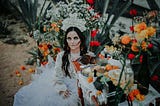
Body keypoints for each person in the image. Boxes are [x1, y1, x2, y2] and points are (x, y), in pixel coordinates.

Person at [13, 27, 89, 106]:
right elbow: (57, 75)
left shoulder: (87, 56)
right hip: (64, 82)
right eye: (69, 38)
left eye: (75, 38)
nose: (72, 42)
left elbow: (91, 74)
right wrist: (61, 88)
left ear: (81, 39)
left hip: (82, 85)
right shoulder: (62, 56)